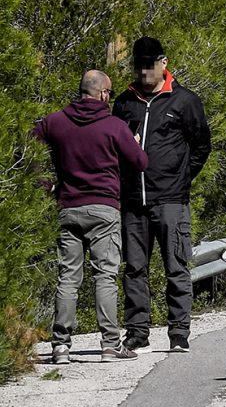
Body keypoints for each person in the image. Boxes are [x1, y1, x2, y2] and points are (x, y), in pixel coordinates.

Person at [35, 70, 148, 364]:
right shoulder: (114, 126)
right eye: (109, 93)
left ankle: (60, 346)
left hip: (68, 207)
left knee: (68, 278)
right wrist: (133, 141)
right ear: (102, 95)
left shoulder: (54, 122)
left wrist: (49, 186)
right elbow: (140, 162)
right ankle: (110, 344)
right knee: (105, 277)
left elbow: (25, 149)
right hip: (104, 209)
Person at [114, 37, 212, 354]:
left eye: (149, 65)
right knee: (134, 269)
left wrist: (181, 178)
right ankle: (137, 333)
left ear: (163, 63)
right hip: (133, 202)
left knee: (177, 267)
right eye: (138, 65)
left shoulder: (184, 101)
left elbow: (201, 146)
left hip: (171, 200)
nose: (143, 72)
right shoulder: (123, 103)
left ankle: (179, 333)